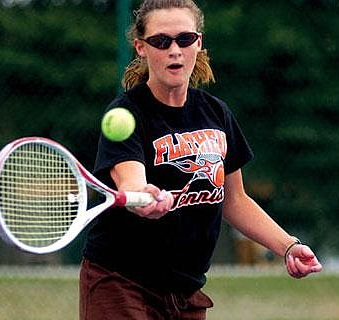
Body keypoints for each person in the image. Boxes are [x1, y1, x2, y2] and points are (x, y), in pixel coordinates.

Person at [79, 1, 323, 319]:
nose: (174, 50)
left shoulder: (216, 113)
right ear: (140, 47)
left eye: (184, 38)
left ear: (199, 43)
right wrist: (144, 198)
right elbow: (130, 182)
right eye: (161, 41)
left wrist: (288, 246)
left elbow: (234, 200)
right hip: (122, 282)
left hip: (185, 289)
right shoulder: (124, 114)